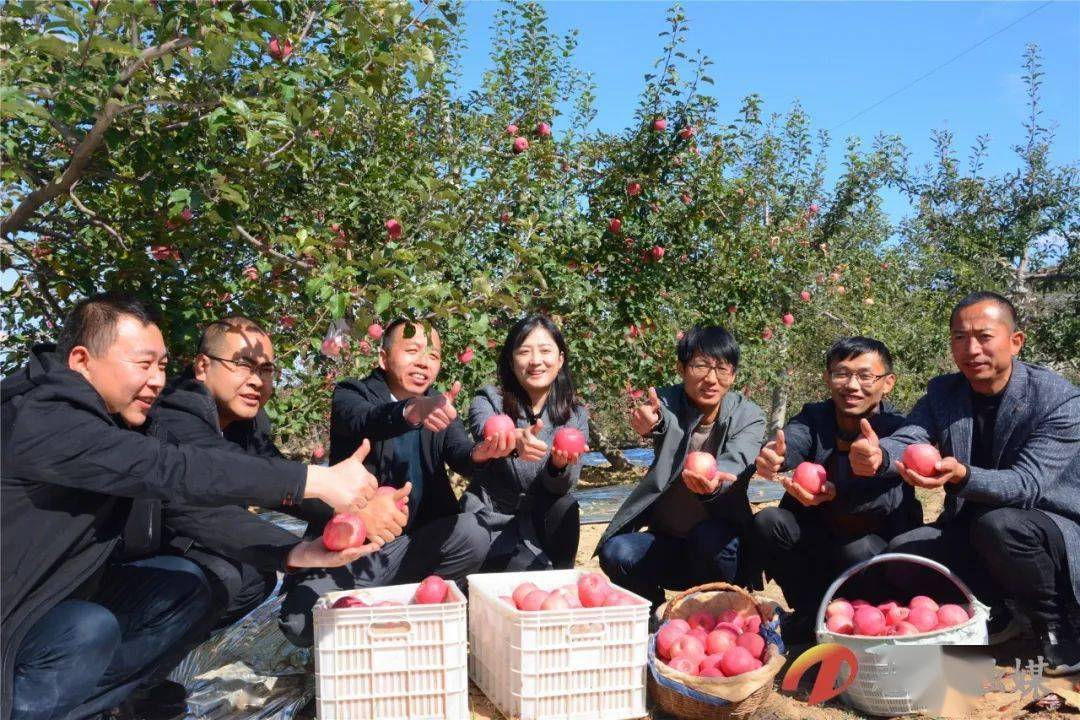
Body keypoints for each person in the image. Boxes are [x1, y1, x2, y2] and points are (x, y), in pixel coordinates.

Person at [1, 294, 382, 720]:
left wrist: (292, 553)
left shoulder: (123, 419)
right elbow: (175, 469)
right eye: (142, 364)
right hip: (15, 613)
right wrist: (316, 479)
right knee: (89, 628)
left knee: (184, 587)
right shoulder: (42, 419)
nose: (157, 381)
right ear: (80, 359)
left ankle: (95, 706)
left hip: (59, 594)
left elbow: (179, 502)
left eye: (162, 366)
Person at [127, 316, 409, 705]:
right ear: (203, 366)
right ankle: (122, 684)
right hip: (129, 557)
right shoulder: (174, 415)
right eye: (243, 364)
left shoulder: (247, 421)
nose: (257, 379)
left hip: (188, 540)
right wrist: (325, 491)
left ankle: (144, 675)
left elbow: (279, 486)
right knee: (222, 576)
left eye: (266, 369)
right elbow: (220, 479)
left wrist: (355, 513)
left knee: (252, 578)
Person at [851, 291, 1080, 674]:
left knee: (1000, 525)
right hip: (975, 527)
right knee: (903, 557)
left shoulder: (1059, 400)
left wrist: (964, 476)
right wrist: (881, 455)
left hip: (1048, 525)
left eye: (984, 336)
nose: (971, 349)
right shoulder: (945, 392)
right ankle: (1001, 613)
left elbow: (1026, 486)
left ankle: (1056, 625)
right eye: (959, 337)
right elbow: (912, 437)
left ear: (1015, 341)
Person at [279, 319, 507, 647]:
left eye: (433, 355)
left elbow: (462, 454)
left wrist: (484, 452)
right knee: (300, 623)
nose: (424, 361)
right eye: (412, 350)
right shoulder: (351, 394)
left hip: (415, 547)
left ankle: (414, 606)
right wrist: (411, 412)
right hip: (358, 550)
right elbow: (365, 419)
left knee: (473, 533)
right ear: (383, 359)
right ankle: (376, 605)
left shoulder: (437, 405)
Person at [750, 337, 921, 641]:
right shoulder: (815, 416)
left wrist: (842, 489)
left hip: (873, 549)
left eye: (865, 375)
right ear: (828, 378)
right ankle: (811, 614)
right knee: (769, 522)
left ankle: (867, 623)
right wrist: (776, 456)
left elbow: (887, 500)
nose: (852, 385)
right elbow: (793, 440)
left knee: (858, 548)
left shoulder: (900, 429)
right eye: (842, 373)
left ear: (888, 382)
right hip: (817, 543)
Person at [596, 326, 766, 608]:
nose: (711, 379)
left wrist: (713, 482)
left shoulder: (750, 416)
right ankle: (655, 610)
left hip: (722, 550)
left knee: (708, 536)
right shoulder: (667, 402)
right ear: (681, 368)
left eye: (722, 369)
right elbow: (663, 419)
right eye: (700, 366)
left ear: (733, 375)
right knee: (616, 552)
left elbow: (739, 458)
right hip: (668, 544)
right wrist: (652, 423)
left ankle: (725, 603)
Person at [463, 315, 590, 571]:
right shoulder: (489, 401)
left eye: (545, 351)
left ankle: (561, 574)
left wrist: (557, 466)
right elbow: (485, 431)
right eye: (524, 352)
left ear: (560, 359)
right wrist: (513, 442)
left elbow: (565, 485)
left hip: (543, 520)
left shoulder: (575, 415)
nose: (536, 361)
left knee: (567, 506)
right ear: (511, 362)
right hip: (492, 519)